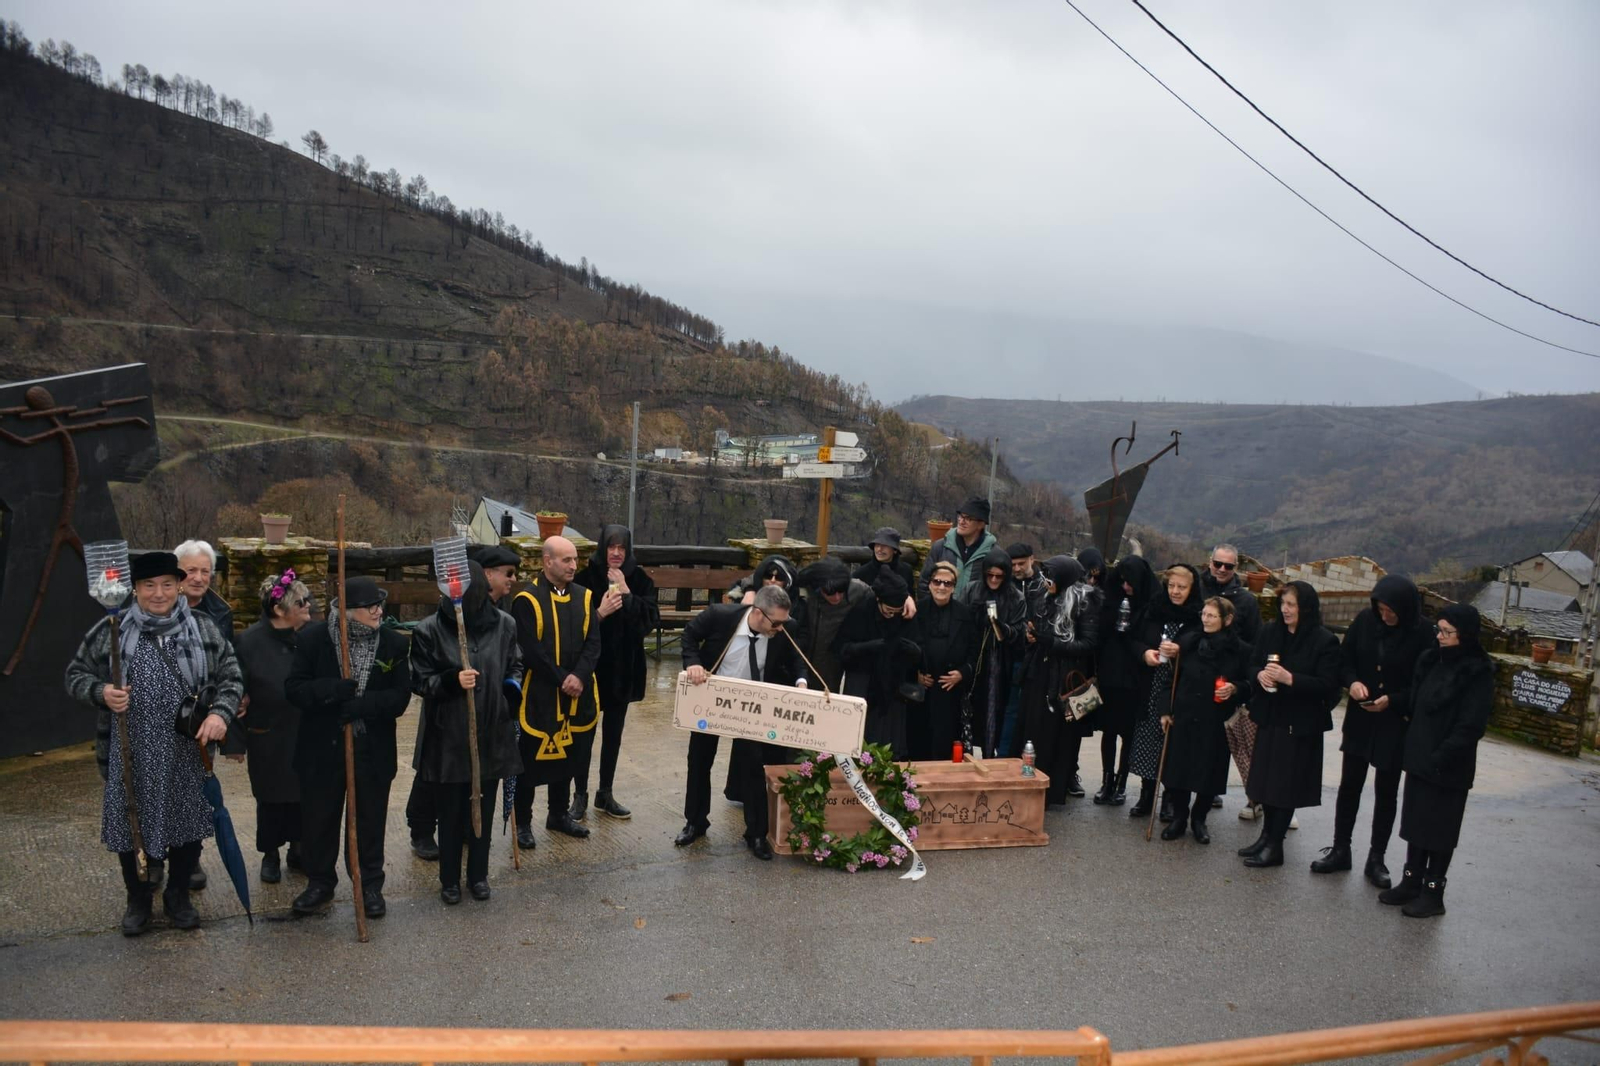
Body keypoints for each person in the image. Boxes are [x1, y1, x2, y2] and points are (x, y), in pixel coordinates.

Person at [66, 551, 243, 935]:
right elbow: (75, 675)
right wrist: (101, 692)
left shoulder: (203, 628)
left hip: (186, 749)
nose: (159, 593)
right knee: (129, 824)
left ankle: (177, 896)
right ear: (135, 589)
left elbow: (231, 677)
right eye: (149, 585)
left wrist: (219, 714)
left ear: (179, 586)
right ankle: (138, 899)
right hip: (129, 751)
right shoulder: (111, 630)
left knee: (186, 823)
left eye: (166, 584)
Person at [284, 576, 412, 919]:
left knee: (370, 819)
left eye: (379, 604)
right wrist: (331, 690)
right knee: (320, 819)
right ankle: (320, 883)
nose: (378, 611)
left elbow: (400, 697)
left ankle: (369, 884)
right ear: (347, 611)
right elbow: (294, 689)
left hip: (372, 748)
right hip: (322, 749)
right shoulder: (313, 639)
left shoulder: (393, 644)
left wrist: (362, 706)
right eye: (370, 607)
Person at [409, 561, 524, 904]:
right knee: (450, 812)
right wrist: (450, 680)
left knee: (483, 810)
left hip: (491, 731)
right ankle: (449, 880)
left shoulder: (504, 625)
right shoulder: (429, 630)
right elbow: (419, 679)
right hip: (448, 736)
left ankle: (478, 875)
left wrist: (510, 691)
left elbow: (515, 663)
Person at [1313, 575, 1432, 886]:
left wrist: (1393, 700)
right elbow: (1345, 660)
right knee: (1349, 785)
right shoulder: (1366, 621)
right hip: (1361, 717)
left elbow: (1424, 683)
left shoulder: (1423, 634)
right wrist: (1352, 682)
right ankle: (1340, 848)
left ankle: (1376, 857)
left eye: (1391, 611)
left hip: (1394, 721)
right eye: (1381, 609)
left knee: (1386, 792)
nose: (1385, 615)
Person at [674, 585, 806, 859]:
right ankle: (695, 822)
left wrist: (801, 682)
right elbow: (689, 635)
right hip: (713, 699)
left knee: (753, 765)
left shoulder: (783, 629)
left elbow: (797, 659)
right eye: (776, 623)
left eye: (784, 622)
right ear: (757, 612)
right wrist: (693, 663)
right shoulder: (719, 616)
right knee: (699, 760)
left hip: (752, 706)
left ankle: (756, 833)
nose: (780, 628)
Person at [1381, 605, 1494, 919]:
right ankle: (1411, 881)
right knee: (1416, 823)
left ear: (1465, 634)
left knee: (1440, 830)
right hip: (1420, 758)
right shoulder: (1430, 659)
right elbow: (1415, 702)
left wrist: (1442, 756)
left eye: (1447, 632)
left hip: (1449, 766)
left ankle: (1433, 893)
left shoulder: (1478, 671)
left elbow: (1471, 725)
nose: (1440, 637)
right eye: (1439, 630)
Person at [510, 536, 616, 848]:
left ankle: (558, 814)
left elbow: (593, 642)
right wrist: (562, 679)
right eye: (566, 560)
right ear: (548, 562)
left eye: (575, 559)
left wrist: (579, 676)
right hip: (541, 693)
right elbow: (531, 650)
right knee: (529, 760)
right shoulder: (526, 600)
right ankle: (523, 821)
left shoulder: (584, 597)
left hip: (578, 693)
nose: (573, 566)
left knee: (570, 755)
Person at [1237, 581, 1342, 869]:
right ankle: (1265, 837)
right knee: (1266, 782)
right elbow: (1252, 663)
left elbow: (1329, 685)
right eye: (1283, 603)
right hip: (1271, 715)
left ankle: (1275, 845)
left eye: (1291, 605)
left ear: (1306, 608)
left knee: (1285, 786)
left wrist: (1290, 679)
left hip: (1300, 723)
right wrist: (1259, 675)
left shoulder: (1324, 641)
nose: (1285, 609)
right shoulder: (1271, 631)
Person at [572, 524, 660, 820]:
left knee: (613, 736)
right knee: (583, 736)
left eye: (622, 548)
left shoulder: (640, 580)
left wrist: (627, 593)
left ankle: (605, 793)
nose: (616, 553)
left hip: (623, 669)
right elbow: (573, 628)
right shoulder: (584, 579)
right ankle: (579, 795)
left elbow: (648, 624)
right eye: (611, 547)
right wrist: (600, 613)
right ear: (603, 548)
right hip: (591, 669)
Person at [233, 568, 312, 884]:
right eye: (301, 602)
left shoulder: (310, 637)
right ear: (280, 609)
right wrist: (235, 743)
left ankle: (299, 848)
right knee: (270, 798)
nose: (308, 605)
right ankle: (270, 853)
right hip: (267, 735)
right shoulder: (249, 642)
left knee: (304, 795)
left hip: (305, 732)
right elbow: (236, 693)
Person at [1157, 597, 1249, 844]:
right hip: (1184, 715)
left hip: (1215, 720)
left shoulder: (1239, 650)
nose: (1206, 619)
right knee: (1179, 770)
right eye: (1204, 614)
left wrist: (1235, 688)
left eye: (1212, 616)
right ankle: (1179, 817)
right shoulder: (1188, 642)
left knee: (1209, 773)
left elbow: (1249, 683)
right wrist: (1165, 710)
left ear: (1227, 620)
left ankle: (1199, 818)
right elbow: (1171, 680)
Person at [173, 538, 236, 891]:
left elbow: (229, 664)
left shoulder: (220, 612)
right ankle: (152, 859)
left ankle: (190, 857)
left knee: (196, 790)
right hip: (161, 715)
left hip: (199, 718)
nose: (198, 578)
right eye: (190, 570)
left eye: (205, 571)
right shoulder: (155, 606)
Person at [1021, 556, 1102, 804]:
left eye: (1051, 577)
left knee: (1062, 737)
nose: (1046, 582)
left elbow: (1088, 644)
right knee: (1036, 731)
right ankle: (1032, 787)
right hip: (1042, 672)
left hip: (1068, 680)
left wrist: (1052, 642)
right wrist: (1033, 636)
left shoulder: (1085, 601)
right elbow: (1038, 629)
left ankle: (1054, 790)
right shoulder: (1043, 595)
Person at [1127, 564, 1203, 818]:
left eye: (1182, 587)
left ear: (1192, 589)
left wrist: (1181, 650)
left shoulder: (1198, 617)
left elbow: (1206, 648)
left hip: (1179, 689)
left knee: (1174, 744)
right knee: (1149, 740)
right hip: (1151, 686)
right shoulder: (1153, 610)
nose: (1175, 592)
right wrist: (1144, 653)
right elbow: (1133, 640)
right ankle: (1147, 795)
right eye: (1171, 586)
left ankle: (1171, 798)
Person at [1092, 555, 1157, 806]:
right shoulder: (1112, 597)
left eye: (1130, 583)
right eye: (1122, 582)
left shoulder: (1150, 604)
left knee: (1129, 734)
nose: (1126, 587)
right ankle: (1107, 780)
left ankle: (1121, 782)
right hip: (1110, 673)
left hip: (1134, 677)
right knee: (1109, 731)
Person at [836, 571, 921, 758]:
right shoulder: (862, 611)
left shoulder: (905, 615)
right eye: (888, 610)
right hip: (863, 683)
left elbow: (916, 650)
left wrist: (914, 651)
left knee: (889, 743)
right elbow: (842, 649)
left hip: (892, 687)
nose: (891, 615)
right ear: (878, 600)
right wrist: (867, 647)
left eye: (896, 612)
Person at [960, 547, 1028, 756]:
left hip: (1000, 662)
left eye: (999, 576)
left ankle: (991, 756)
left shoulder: (1016, 597)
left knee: (995, 712)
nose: (994, 580)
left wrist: (1002, 628)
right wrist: (975, 614)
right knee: (967, 710)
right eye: (990, 575)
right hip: (972, 657)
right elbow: (959, 619)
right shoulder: (972, 590)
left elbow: (1019, 631)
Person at [907, 560, 977, 760]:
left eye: (947, 583)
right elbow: (904, 647)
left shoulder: (965, 614)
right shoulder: (916, 611)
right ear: (929, 584)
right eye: (937, 582)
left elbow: (975, 651)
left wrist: (963, 673)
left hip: (950, 691)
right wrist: (915, 675)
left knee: (945, 742)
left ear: (954, 587)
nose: (941, 587)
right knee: (918, 740)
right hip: (922, 690)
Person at [792, 557, 871, 692]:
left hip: (832, 659)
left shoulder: (857, 589)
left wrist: (906, 598)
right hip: (804, 651)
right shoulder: (806, 588)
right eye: (830, 593)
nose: (837, 597)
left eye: (841, 592)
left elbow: (883, 594)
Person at [920, 495, 998, 596]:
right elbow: (924, 584)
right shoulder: (940, 547)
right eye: (960, 516)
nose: (961, 521)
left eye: (968, 518)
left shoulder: (993, 554)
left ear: (981, 524)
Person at [1199, 543, 1260, 646]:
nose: (1222, 569)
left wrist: (1231, 642)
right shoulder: (1195, 589)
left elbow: (1255, 642)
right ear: (1210, 562)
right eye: (1217, 564)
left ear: (1235, 567)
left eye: (1228, 566)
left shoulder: (1247, 601)